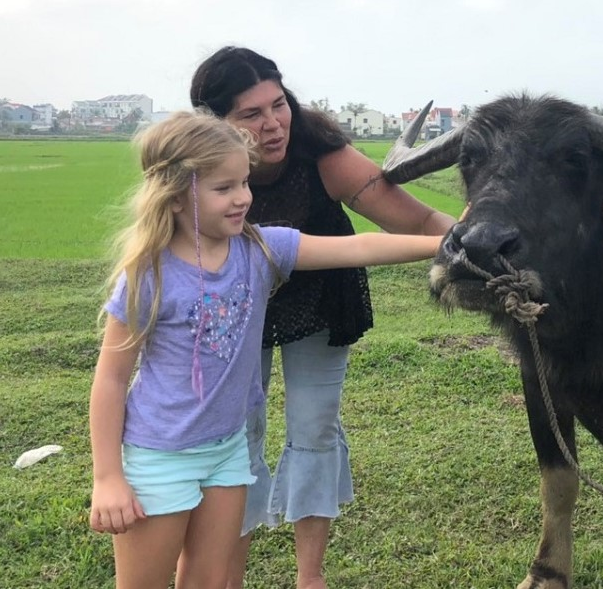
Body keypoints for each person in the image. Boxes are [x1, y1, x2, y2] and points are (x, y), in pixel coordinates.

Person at [88, 111, 443, 588]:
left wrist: (450, 243)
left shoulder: (259, 250)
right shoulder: (147, 276)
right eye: (224, 188)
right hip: (160, 456)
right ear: (174, 196)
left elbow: (359, 248)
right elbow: (111, 379)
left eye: (244, 183)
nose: (243, 199)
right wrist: (108, 477)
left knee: (210, 581)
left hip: (228, 451)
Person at [189, 46, 456, 589]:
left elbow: (421, 220)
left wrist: (478, 236)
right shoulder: (191, 173)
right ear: (213, 123)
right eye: (251, 114)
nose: (272, 124)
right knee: (238, 435)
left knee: (315, 427)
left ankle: (311, 580)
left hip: (320, 300)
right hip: (232, 311)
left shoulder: (322, 155)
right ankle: (227, 575)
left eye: (278, 104)